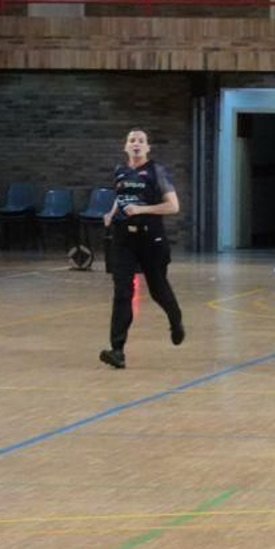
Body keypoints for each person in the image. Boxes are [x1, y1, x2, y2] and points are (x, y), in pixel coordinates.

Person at [100, 128, 185, 369]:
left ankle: (175, 320)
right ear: (125, 147)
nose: (136, 143)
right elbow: (122, 196)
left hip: (151, 239)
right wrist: (112, 213)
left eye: (141, 141)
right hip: (123, 240)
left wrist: (141, 210)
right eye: (131, 140)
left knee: (158, 289)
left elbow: (173, 207)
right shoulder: (120, 171)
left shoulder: (156, 171)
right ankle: (117, 350)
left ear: (147, 148)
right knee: (122, 292)